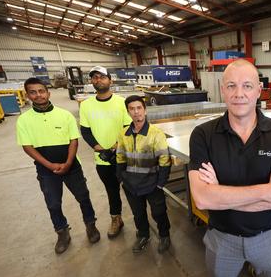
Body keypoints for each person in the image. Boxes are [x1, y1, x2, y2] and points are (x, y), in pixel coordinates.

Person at [188, 59, 271, 277]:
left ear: (259, 90)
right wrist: (265, 193)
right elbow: (202, 198)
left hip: (268, 237)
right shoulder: (202, 135)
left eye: (247, 86)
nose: (239, 94)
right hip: (222, 240)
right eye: (232, 86)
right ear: (222, 90)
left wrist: (220, 194)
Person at [16, 77, 100, 254]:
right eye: (33, 92)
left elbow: (73, 140)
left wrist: (68, 162)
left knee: (83, 197)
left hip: (72, 167)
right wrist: (49, 165)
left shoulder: (64, 115)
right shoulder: (24, 120)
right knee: (53, 204)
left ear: (48, 93)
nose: (38, 95)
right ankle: (62, 232)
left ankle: (90, 225)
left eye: (41, 91)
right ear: (28, 95)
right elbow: (27, 147)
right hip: (46, 171)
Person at [79, 66, 131, 239]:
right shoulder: (86, 105)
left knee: (132, 189)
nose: (98, 80)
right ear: (91, 81)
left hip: (124, 156)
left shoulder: (122, 102)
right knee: (112, 190)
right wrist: (97, 147)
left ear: (110, 80)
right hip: (102, 159)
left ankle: (141, 221)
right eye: (94, 77)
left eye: (102, 76)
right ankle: (116, 219)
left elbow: (128, 127)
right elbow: (85, 131)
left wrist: (118, 144)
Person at [116, 95, 172, 254]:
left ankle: (164, 235)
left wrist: (160, 183)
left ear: (145, 110)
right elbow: (120, 156)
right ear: (128, 112)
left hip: (151, 183)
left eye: (139, 108)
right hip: (130, 184)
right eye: (132, 109)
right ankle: (143, 235)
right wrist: (121, 178)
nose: (136, 112)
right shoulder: (123, 133)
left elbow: (164, 159)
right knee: (138, 213)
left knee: (159, 212)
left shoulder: (155, 133)